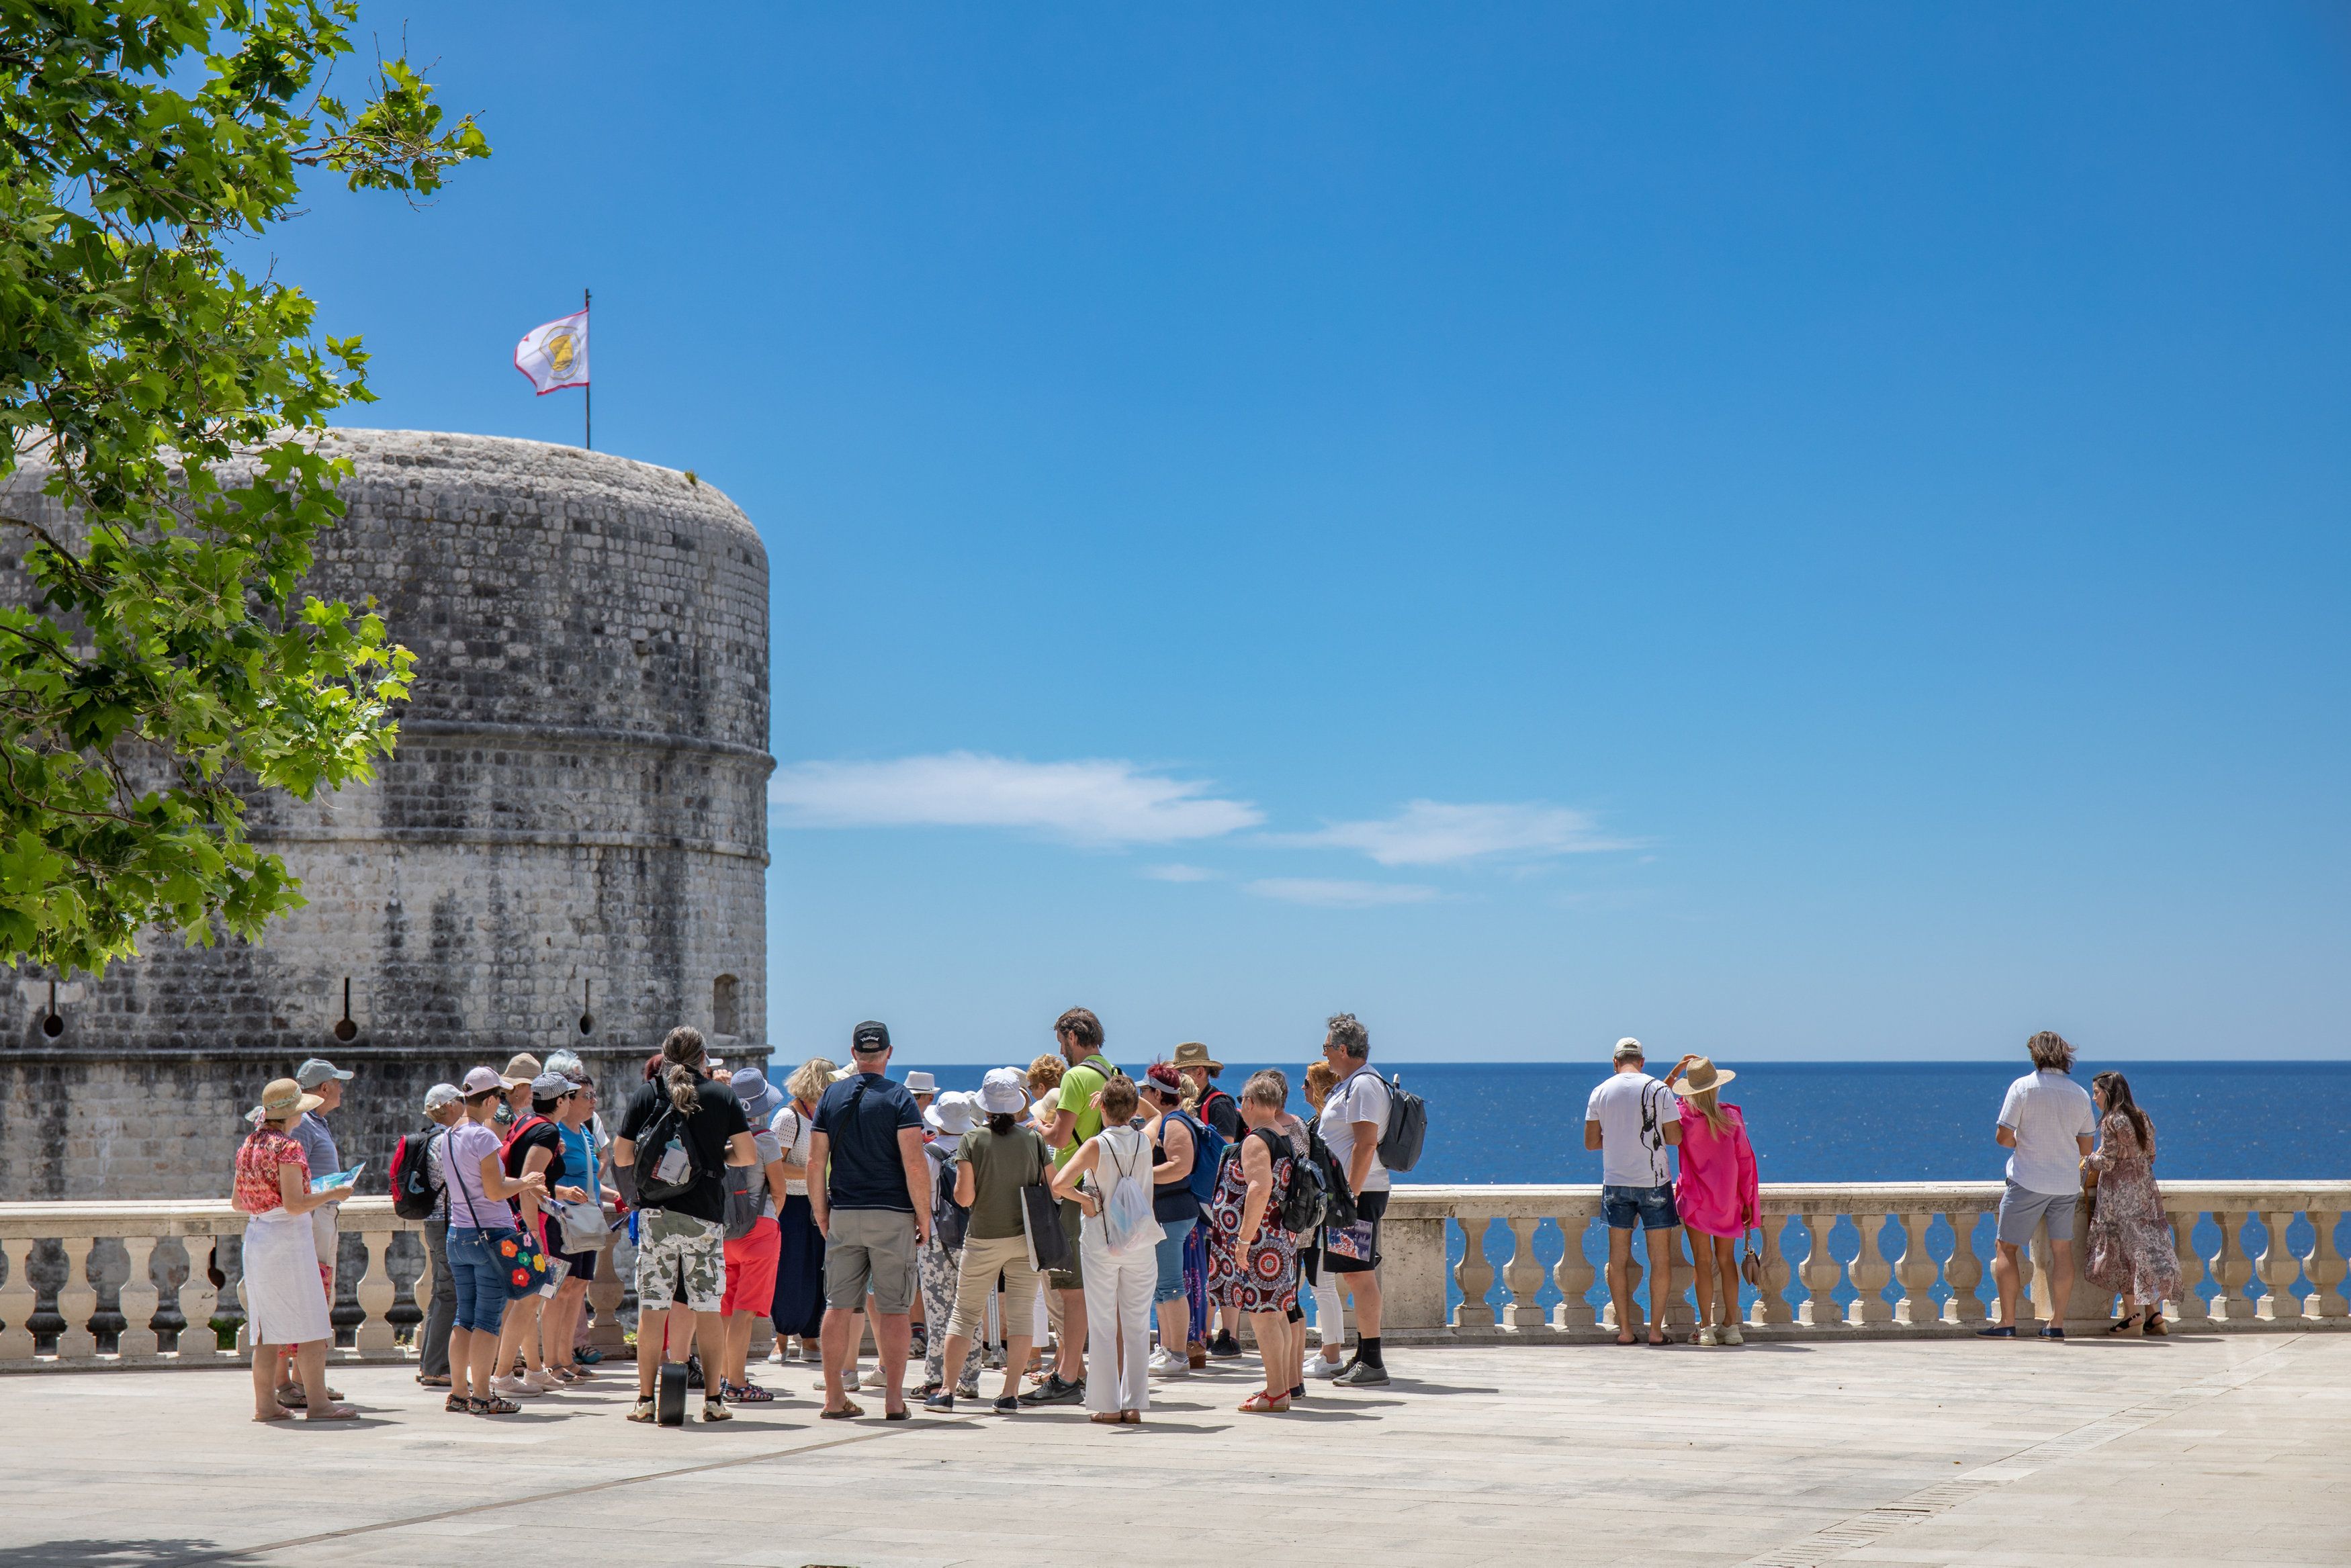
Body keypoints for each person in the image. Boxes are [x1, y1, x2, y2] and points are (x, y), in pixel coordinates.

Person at [615, 1026, 758, 1423]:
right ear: (703, 1057)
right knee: (707, 1310)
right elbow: (746, 1156)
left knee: (653, 1309)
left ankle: (645, 1401)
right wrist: (711, 1156)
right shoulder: (721, 1095)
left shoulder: (647, 1094)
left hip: (655, 1215)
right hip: (704, 1216)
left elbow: (623, 1158)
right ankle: (713, 1400)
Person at [807, 1020, 931, 1420]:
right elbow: (914, 1164)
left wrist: (821, 1214)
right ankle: (894, 1400)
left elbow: (815, 1162)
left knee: (838, 1306)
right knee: (894, 1309)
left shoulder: (830, 1096)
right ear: (889, 1053)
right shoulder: (899, 1098)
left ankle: (833, 1397)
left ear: (853, 1052)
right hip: (892, 1215)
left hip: (844, 1212)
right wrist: (924, 1216)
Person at [929, 1068, 1050, 1414]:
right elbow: (1052, 1187)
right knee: (1023, 1315)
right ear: (1016, 1104)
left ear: (984, 1106)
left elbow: (964, 1198)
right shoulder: (1034, 1140)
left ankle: (947, 1391)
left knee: (963, 1314)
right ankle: (1010, 1394)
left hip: (983, 1238)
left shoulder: (973, 1141)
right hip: (1024, 1238)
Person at [234, 1078, 354, 1422]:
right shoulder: (288, 1148)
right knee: (313, 1323)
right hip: (287, 1241)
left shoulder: (248, 1145)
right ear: (292, 1114)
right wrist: (333, 1193)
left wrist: (267, 1203)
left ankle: (265, 1405)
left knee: (265, 1330)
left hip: (258, 1238)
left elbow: (238, 1203)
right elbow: (295, 1204)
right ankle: (319, 1404)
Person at [1050, 1072, 1163, 1424]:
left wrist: (1084, 1200)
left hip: (1102, 1241)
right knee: (1137, 1324)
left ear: (1101, 1109)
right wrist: (1130, 1098)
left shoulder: (1096, 1145)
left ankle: (1108, 1405)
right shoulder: (1145, 1140)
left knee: (1102, 1324)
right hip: (1141, 1243)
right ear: (1131, 1109)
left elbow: (1059, 1183)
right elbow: (1157, 1115)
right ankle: (1133, 1404)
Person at [1024, 1007, 1116, 1405]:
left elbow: (1060, 1139)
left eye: (1061, 1042)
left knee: (1071, 1291)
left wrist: (1037, 1127)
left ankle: (1067, 1377)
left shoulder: (1077, 1077)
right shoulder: (1110, 1072)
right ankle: (1079, 1371)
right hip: (1101, 1188)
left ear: (1073, 1037)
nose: (1060, 1051)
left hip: (1073, 1193)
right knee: (1094, 1290)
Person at [1980, 1030, 2098, 1340]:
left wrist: (2028, 1141)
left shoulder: (2023, 1087)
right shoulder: (2080, 1094)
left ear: (2036, 1055)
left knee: (2006, 1247)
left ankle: (2007, 1323)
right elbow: (2087, 1148)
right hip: (2065, 1183)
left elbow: (2003, 1138)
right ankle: (2056, 1323)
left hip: (2028, 1180)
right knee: (2062, 1251)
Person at [444, 1066, 547, 1415]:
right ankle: (484, 1396)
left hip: (458, 1235)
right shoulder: (484, 1137)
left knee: (464, 1316)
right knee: (487, 1320)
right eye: (499, 1097)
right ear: (489, 1100)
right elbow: (495, 1190)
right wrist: (527, 1181)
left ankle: (459, 1392)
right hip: (489, 1236)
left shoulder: (448, 1136)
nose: (501, 1104)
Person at [1208, 1070, 1302, 1413]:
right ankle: (1282, 1387)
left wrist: (1244, 1240)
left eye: (1241, 1102)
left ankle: (1276, 1392)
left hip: (1262, 1242)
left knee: (1264, 1316)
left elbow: (1260, 1189)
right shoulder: (1283, 1135)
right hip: (1279, 1238)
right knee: (1276, 1313)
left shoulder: (1255, 1140)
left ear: (1249, 1103)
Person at [492, 1070, 588, 1397]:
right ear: (560, 1101)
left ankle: (534, 1372)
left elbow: (531, 1181)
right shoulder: (547, 1131)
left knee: (531, 1301)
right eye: (569, 1096)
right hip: (531, 1225)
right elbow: (529, 1182)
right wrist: (533, 1233)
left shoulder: (526, 1124)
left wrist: (560, 1192)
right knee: (528, 1301)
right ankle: (504, 1375)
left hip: (521, 1219)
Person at [1587, 1037, 1683, 1346]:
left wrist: (1617, 1139)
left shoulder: (1600, 1091)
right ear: (1642, 1062)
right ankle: (1655, 1331)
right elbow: (1675, 1138)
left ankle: (1626, 1331)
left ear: (1615, 1063)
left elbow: (1591, 1142)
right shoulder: (1660, 1089)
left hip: (1616, 1182)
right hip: (1654, 1180)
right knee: (1660, 1260)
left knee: (1618, 1260)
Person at [1317, 1013, 1393, 1386]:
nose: (1325, 1054)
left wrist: (1349, 1194)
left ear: (1343, 1049)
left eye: (1327, 1047)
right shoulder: (1352, 1084)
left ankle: (1373, 1361)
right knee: (1353, 1271)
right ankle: (1363, 1355)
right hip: (1353, 1193)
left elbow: (1366, 1143)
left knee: (1358, 1275)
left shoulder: (1363, 1086)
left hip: (1358, 1195)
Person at [1667, 1056, 1759, 1347]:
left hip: (1696, 1200)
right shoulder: (1731, 1119)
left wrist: (1676, 1072)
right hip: (1727, 1200)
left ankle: (1705, 1328)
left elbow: (1655, 1097)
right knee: (1726, 1261)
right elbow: (1746, 1163)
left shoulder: (1682, 1117)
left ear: (1690, 1090)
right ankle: (1731, 1327)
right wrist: (1748, 1202)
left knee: (1702, 1263)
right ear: (1715, 1088)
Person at [2084, 1070, 2180, 1337]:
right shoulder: (2142, 1117)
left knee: (2123, 1253)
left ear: (2109, 1092)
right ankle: (2154, 1315)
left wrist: (2087, 1159)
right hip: (2145, 1193)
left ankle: (2132, 1316)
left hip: (2119, 1197)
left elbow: (2109, 1162)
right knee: (2144, 1252)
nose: (2094, 1098)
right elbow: (2151, 1154)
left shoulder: (2112, 1121)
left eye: (2097, 1092)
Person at [281, 1056, 353, 1409]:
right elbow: (299, 1179)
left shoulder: (314, 1123)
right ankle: (304, 1385)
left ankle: (302, 1381)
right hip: (314, 1217)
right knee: (312, 1295)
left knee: (316, 1293)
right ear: (324, 1088)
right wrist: (336, 1188)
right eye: (338, 1083)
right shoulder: (307, 1126)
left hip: (320, 1214)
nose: (342, 1088)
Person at [716, 1066, 790, 1402]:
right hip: (759, 1231)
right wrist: (771, 1220)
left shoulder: (721, 1138)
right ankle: (738, 1382)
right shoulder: (766, 1140)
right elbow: (779, 1190)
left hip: (724, 1233)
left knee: (725, 1309)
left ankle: (720, 1378)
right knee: (745, 1312)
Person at [541, 1065, 615, 1379]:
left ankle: (567, 1358)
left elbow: (590, 1178)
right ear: (568, 1100)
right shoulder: (554, 1135)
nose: (594, 1101)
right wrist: (562, 1190)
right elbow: (537, 1179)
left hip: (585, 1217)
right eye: (587, 1096)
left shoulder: (585, 1133)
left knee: (579, 1286)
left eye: (594, 1095)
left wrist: (613, 1195)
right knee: (561, 1287)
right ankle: (553, 1361)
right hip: (562, 1218)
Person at [1172, 1040, 1241, 1359]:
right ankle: (1207, 1334)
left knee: (1222, 1266)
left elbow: (1226, 1149)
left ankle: (1230, 1335)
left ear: (1199, 1072)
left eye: (1183, 1072)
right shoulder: (1190, 1106)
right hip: (1202, 1198)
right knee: (1206, 1269)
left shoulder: (1219, 1104)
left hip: (1218, 1199)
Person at [768, 1056, 834, 1366]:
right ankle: (781, 1340)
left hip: (818, 1202)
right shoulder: (788, 1117)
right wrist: (813, 1173)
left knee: (818, 1271)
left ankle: (811, 1337)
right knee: (789, 1272)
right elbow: (774, 1166)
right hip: (791, 1205)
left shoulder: (824, 1116)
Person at [918, 1091, 982, 1399]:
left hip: (934, 1238)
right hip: (976, 1237)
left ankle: (936, 1378)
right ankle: (969, 1379)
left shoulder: (927, 1153)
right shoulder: (979, 1150)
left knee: (938, 1311)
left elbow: (920, 1197)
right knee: (972, 1309)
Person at [1137, 1064, 1199, 1379]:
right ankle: (1168, 1350)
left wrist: (1139, 1176)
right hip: (1167, 1213)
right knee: (1163, 1287)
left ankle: (1177, 1354)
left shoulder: (1174, 1123)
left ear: (1158, 1094)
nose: (1141, 1096)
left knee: (1171, 1286)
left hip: (1172, 1214)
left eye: (1145, 1091)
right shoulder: (1168, 1120)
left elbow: (1180, 1166)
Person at [1300, 1060, 1349, 1379]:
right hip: (1326, 1217)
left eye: (1307, 1082)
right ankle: (1326, 1350)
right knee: (1323, 1286)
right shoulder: (1320, 1123)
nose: (1303, 1087)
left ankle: (1331, 1356)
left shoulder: (1322, 1128)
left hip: (1323, 1219)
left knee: (1324, 1286)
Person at [415, 1082, 464, 1389]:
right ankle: (436, 1366)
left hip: (436, 1222)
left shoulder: (430, 1138)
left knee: (441, 1293)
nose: (464, 1104)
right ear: (447, 1107)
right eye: (460, 1100)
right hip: (444, 1223)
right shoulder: (444, 1141)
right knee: (449, 1294)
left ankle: (429, 1363)